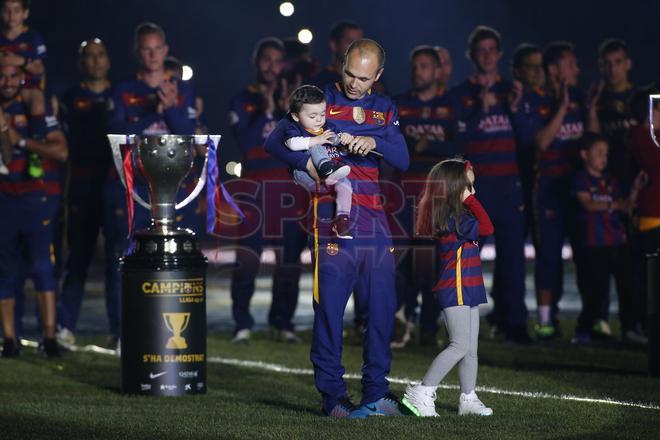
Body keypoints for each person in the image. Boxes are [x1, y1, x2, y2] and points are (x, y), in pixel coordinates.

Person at [266, 38, 409, 418]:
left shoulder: (383, 107)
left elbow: (403, 158)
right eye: (349, 73)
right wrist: (307, 165)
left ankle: (376, 392)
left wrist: (372, 141)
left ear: (377, 76)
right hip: (331, 220)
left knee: (382, 309)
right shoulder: (319, 97)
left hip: (375, 221)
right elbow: (274, 141)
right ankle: (333, 397)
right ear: (341, 63)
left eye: (364, 78)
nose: (354, 83)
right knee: (329, 311)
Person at [227, 37, 308, 344]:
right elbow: (248, 145)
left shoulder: (296, 103)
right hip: (255, 193)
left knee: (289, 261)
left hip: (289, 193)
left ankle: (283, 322)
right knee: (248, 259)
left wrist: (288, 110)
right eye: (266, 60)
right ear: (256, 62)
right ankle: (242, 323)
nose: (272, 67)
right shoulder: (241, 100)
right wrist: (268, 109)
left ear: (284, 64)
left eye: (278, 61)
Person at [451, 26, 529, 343]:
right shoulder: (460, 94)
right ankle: (459, 326)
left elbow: (526, 139)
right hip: (475, 191)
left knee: (513, 259)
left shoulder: (512, 90)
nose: (486, 55)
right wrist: (477, 111)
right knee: (466, 259)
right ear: (471, 55)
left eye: (491, 49)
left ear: (499, 54)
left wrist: (515, 108)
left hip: (509, 187)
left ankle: (514, 323)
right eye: (479, 50)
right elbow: (456, 140)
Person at [517, 41, 600, 339]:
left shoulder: (579, 97)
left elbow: (592, 140)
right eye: (571, 63)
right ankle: (544, 321)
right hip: (548, 189)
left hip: (577, 189)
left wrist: (589, 111)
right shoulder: (534, 100)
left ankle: (589, 321)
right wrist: (562, 109)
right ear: (554, 69)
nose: (577, 69)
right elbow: (540, 141)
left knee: (585, 255)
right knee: (549, 256)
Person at [402, 158, 494, 417]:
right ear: (457, 187)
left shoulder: (460, 214)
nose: (473, 190)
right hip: (456, 286)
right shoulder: (454, 217)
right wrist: (470, 200)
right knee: (459, 345)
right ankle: (422, 391)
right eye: (469, 186)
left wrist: (469, 200)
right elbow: (487, 227)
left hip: (469, 284)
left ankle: (468, 398)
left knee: (471, 348)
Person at [391, 45, 458, 348]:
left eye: (425, 66)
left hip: (438, 201)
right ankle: (403, 322)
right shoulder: (399, 105)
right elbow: (390, 147)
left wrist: (427, 145)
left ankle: (429, 328)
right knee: (403, 265)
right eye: (415, 66)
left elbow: (461, 148)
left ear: (437, 71)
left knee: (433, 266)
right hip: (405, 199)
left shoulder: (451, 106)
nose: (419, 72)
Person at [0, 62, 66, 357]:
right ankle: (9, 339)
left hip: (35, 198)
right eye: (2, 75)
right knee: (5, 271)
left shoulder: (36, 107)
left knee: (42, 268)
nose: (7, 81)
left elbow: (61, 151)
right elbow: (6, 153)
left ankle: (49, 337)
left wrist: (20, 138)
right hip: (4, 198)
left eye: (13, 75)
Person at [57, 38, 117, 348]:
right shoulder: (69, 98)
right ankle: (65, 326)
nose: (95, 61)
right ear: (82, 63)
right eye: (88, 56)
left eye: (100, 54)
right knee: (78, 258)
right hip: (81, 184)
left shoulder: (118, 94)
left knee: (116, 259)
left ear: (108, 60)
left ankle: (118, 331)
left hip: (112, 183)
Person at [570, 132, 643, 344]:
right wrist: (616, 205)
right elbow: (588, 204)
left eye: (606, 153)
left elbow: (626, 205)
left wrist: (636, 189)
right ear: (585, 154)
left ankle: (629, 328)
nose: (604, 158)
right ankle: (583, 330)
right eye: (599, 153)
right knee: (595, 291)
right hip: (595, 244)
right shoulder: (580, 180)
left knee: (627, 288)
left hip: (618, 242)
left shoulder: (611, 181)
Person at [283, 84, 354, 238]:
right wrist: (316, 139)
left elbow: (337, 144)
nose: (319, 120)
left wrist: (344, 141)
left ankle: (342, 221)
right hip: (305, 176)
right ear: (296, 116)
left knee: (346, 184)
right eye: (312, 116)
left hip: (328, 183)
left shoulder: (328, 127)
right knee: (316, 146)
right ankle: (327, 169)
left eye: (322, 114)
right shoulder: (294, 129)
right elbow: (291, 144)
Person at [0, 0, 46, 90]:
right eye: (6, 11)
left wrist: (20, 61)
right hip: (3, 87)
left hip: (28, 87)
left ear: (25, 13)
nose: (11, 15)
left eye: (16, 11)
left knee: (38, 104)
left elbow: (39, 69)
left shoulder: (33, 37)